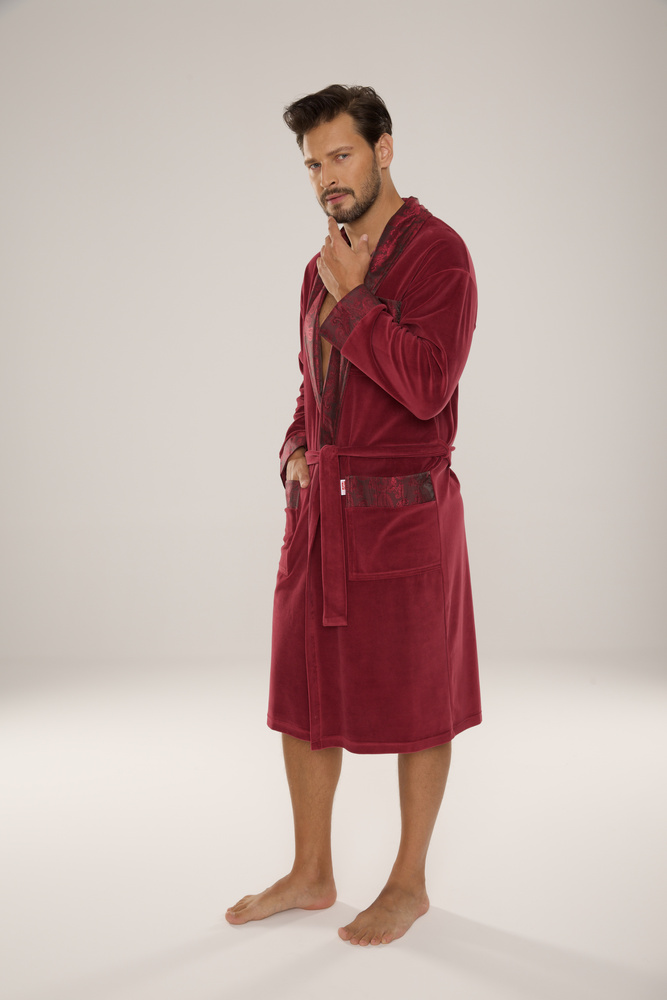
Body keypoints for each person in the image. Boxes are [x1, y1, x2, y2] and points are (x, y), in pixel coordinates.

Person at [226, 84, 482, 946]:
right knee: (300, 691)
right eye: (312, 165)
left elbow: (427, 385)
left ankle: (408, 884)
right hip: (320, 512)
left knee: (420, 697)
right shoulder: (321, 265)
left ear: (384, 149)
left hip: (404, 513)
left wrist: (358, 296)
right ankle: (311, 871)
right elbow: (311, 383)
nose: (326, 178)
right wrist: (294, 452)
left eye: (340, 156)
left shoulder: (439, 255)